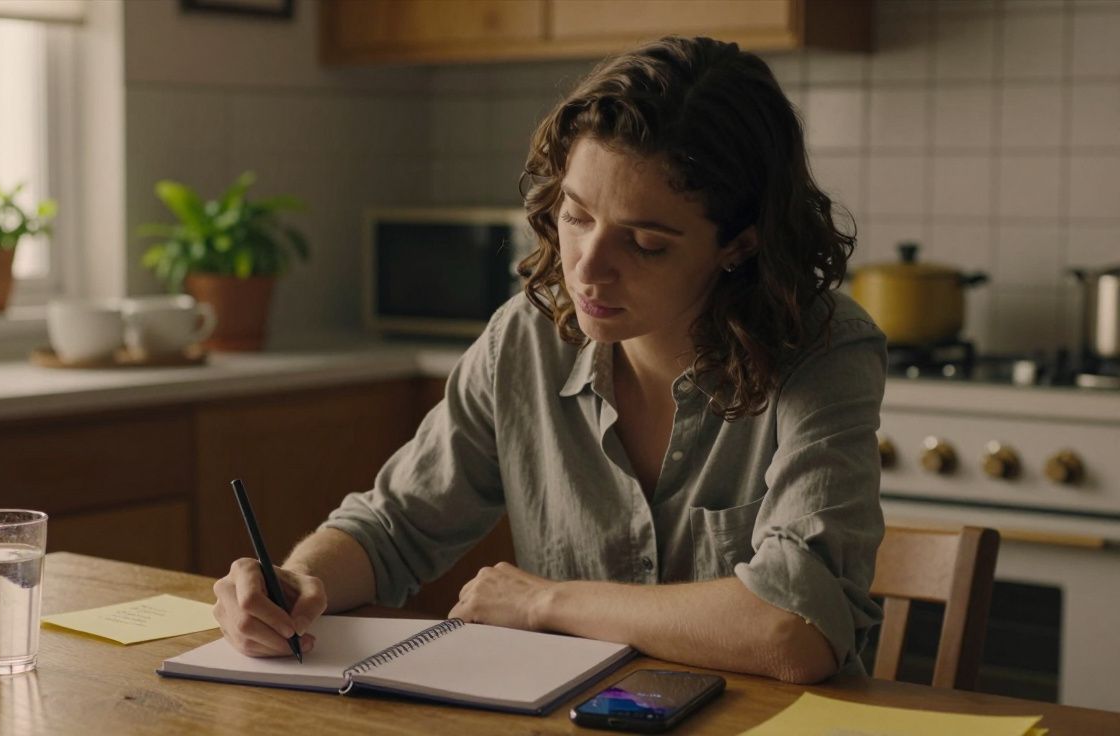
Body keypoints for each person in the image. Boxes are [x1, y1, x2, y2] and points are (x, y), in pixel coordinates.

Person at [212, 36, 885, 684]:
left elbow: (795, 631)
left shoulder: (822, 348)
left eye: (646, 243)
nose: (588, 269)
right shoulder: (524, 340)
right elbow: (393, 528)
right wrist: (302, 583)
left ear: (738, 244)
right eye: (576, 215)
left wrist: (545, 603)